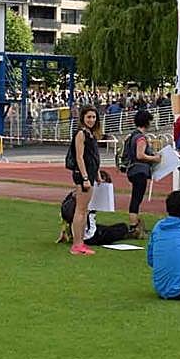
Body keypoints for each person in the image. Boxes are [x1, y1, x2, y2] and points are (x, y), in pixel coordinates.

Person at [65, 105, 106, 256]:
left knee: (84, 210)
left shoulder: (91, 134)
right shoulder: (81, 134)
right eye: (89, 117)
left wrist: (97, 175)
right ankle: (77, 244)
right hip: (83, 176)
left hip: (89, 174)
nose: (91, 120)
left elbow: (93, 157)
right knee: (81, 210)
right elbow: (79, 157)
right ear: (82, 117)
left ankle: (80, 242)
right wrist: (85, 178)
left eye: (94, 117)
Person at [122, 110, 161, 238]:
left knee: (135, 197)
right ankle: (134, 226)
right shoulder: (141, 138)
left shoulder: (132, 135)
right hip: (140, 171)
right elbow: (140, 155)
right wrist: (154, 159)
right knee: (136, 198)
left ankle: (135, 224)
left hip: (132, 170)